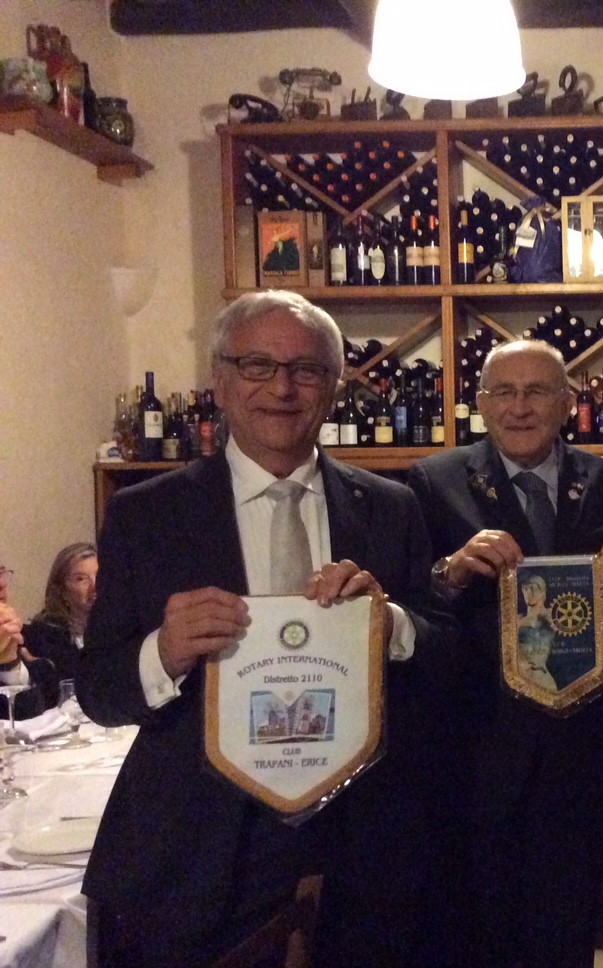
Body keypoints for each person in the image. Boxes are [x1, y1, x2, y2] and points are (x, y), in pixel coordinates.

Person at [77, 290, 455, 968]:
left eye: (306, 370)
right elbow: (99, 689)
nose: (282, 389)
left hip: (362, 846)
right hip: (198, 855)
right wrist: (162, 652)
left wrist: (391, 625)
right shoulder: (146, 514)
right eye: (257, 365)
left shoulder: (391, 507)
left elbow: (446, 652)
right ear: (220, 382)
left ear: (332, 389)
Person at [407, 338, 603, 968]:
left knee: (566, 926)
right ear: (481, 403)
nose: (520, 407)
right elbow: (408, 608)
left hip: (578, 747)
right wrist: (450, 571)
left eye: (537, 391)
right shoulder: (433, 480)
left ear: (568, 404)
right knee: (475, 930)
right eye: (504, 392)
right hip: (476, 745)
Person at [22, 542, 98, 701]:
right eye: (81, 579)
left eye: (99, 575)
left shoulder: (119, 630)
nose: (95, 586)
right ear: (62, 591)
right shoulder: (43, 636)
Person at [0, 559, 60, 719]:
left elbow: (32, 721)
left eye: (0, 573)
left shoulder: (22, 635)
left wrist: (10, 665)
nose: (2, 584)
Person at [517, 573, 558, 690]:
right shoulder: (517, 620)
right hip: (520, 678)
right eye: (525, 589)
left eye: (533, 588)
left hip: (541, 678)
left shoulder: (552, 617)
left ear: (542, 592)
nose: (529, 593)